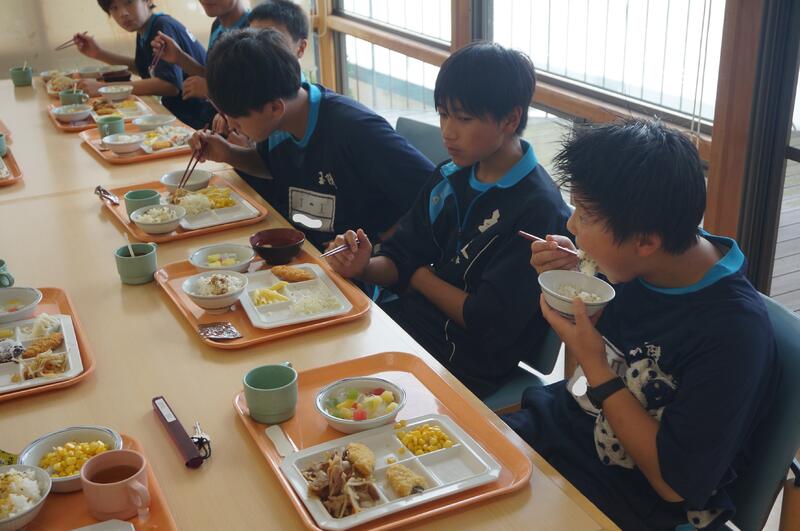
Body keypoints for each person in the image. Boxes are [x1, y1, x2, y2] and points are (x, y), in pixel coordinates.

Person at [502, 120, 779, 530]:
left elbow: (673, 485)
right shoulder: (636, 260)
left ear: (646, 241)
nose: (572, 226)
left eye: (586, 216)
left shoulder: (734, 334)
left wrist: (595, 365)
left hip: (627, 502)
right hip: (553, 438)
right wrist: (574, 275)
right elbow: (586, 373)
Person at [324, 42, 571, 397]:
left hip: (466, 365)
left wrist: (419, 278)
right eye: (443, 114)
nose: (448, 131)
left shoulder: (538, 208)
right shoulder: (448, 176)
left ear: (510, 119)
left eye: (464, 118)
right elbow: (399, 257)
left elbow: (486, 320)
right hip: (407, 332)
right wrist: (362, 266)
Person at [188, 29, 433, 249]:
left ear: (275, 108)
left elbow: (435, 194)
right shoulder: (279, 118)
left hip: (359, 269)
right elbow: (270, 166)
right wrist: (228, 153)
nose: (231, 126)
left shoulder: (356, 129)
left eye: (238, 120)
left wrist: (378, 246)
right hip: (307, 252)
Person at [74, 0, 211, 129]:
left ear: (148, 1)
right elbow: (144, 68)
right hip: (185, 114)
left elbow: (169, 85)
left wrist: (104, 88)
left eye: (129, 2)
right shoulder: (146, 29)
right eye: (114, 8)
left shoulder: (161, 27)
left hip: (199, 119)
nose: (123, 13)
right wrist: (99, 53)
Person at [150, 0, 250, 101]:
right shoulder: (217, 25)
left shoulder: (254, 28)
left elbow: (254, 94)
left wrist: (212, 91)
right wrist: (179, 57)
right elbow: (211, 76)